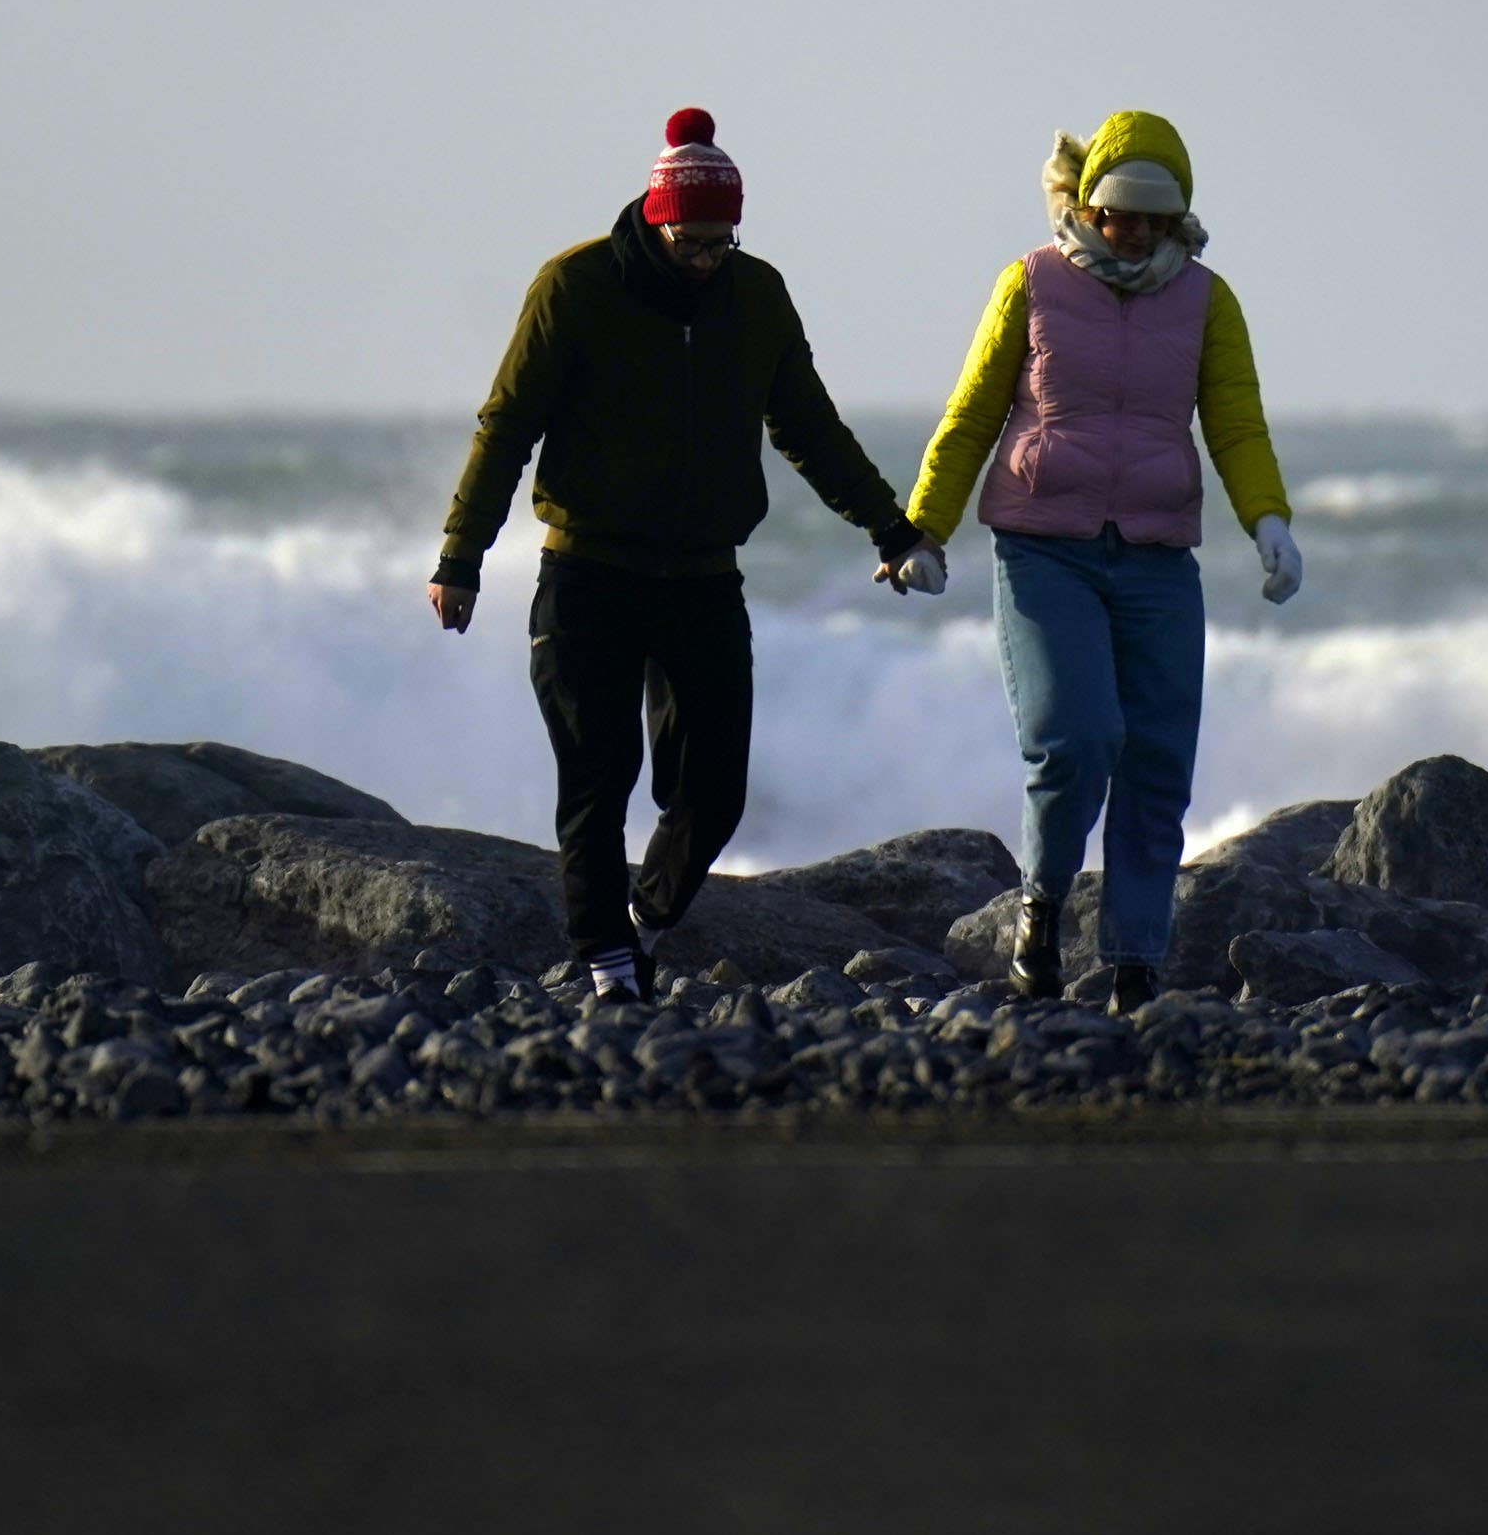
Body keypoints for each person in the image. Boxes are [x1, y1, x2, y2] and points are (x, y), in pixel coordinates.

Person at [429, 108, 927, 1002]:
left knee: (716, 792)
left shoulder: (756, 295)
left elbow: (809, 429)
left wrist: (889, 529)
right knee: (598, 779)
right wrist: (461, 557)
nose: (707, 258)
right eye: (692, 242)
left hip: (703, 577)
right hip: (588, 575)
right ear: (656, 222)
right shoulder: (575, 288)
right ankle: (608, 965)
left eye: (721, 242)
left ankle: (646, 924)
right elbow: (506, 430)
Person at [893, 110, 1300, 1012]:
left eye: (1155, 216)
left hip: (1157, 559)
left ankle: (1134, 964)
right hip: (1046, 551)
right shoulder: (1031, 284)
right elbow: (971, 415)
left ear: (1176, 215)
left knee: (1157, 761)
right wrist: (921, 531)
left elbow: (1235, 423)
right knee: (1076, 741)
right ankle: (1040, 908)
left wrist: (1267, 519)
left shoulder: (1206, 299)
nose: (1136, 230)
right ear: (1088, 205)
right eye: (1121, 212)